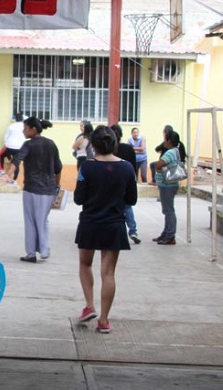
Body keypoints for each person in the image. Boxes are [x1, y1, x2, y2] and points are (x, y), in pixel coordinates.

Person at [74, 126, 137, 335]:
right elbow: (132, 200)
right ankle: (103, 320)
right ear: (114, 144)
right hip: (114, 224)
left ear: (93, 145)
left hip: (90, 223)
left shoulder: (86, 167)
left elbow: (78, 199)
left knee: (85, 264)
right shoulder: (127, 168)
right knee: (108, 272)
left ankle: (89, 305)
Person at [3, 117, 62, 263]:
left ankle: (31, 253)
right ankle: (44, 249)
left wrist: (8, 173)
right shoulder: (51, 144)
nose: (23, 131)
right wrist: (57, 186)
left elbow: (16, 160)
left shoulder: (28, 145)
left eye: (25, 128)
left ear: (33, 129)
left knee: (30, 220)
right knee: (43, 220)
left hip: (32, 188)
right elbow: (58, 168)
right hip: (48, 189)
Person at [111, 125, 141, 244]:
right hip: (127, 179)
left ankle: (114, 229)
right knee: (127, 206)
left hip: (113, 180)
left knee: (112, 205)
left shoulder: (109, 149)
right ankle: (132, 230)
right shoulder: (128, 148)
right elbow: (133, 165)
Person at [153, 130, 182, 245]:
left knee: (168, 211)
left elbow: (159, 165)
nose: (163, 141)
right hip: (169, 185)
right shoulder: (175, 151)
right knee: (167, 210)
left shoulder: (170, 153)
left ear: (169, 140)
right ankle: (166, 233)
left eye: (165, 138)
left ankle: (170, 236)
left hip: (167, 185)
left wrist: (157, 167)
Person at [0, 113, 25, 178]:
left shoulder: (11, 126)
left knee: (1, 155)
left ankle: (1, 171)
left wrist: (7, 149)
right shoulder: (25, 126)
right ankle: (14, 180)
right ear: (22, 119)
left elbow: (5, 138)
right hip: (20, 148)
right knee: (16, 163)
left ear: (15, 119)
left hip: (10, 146)